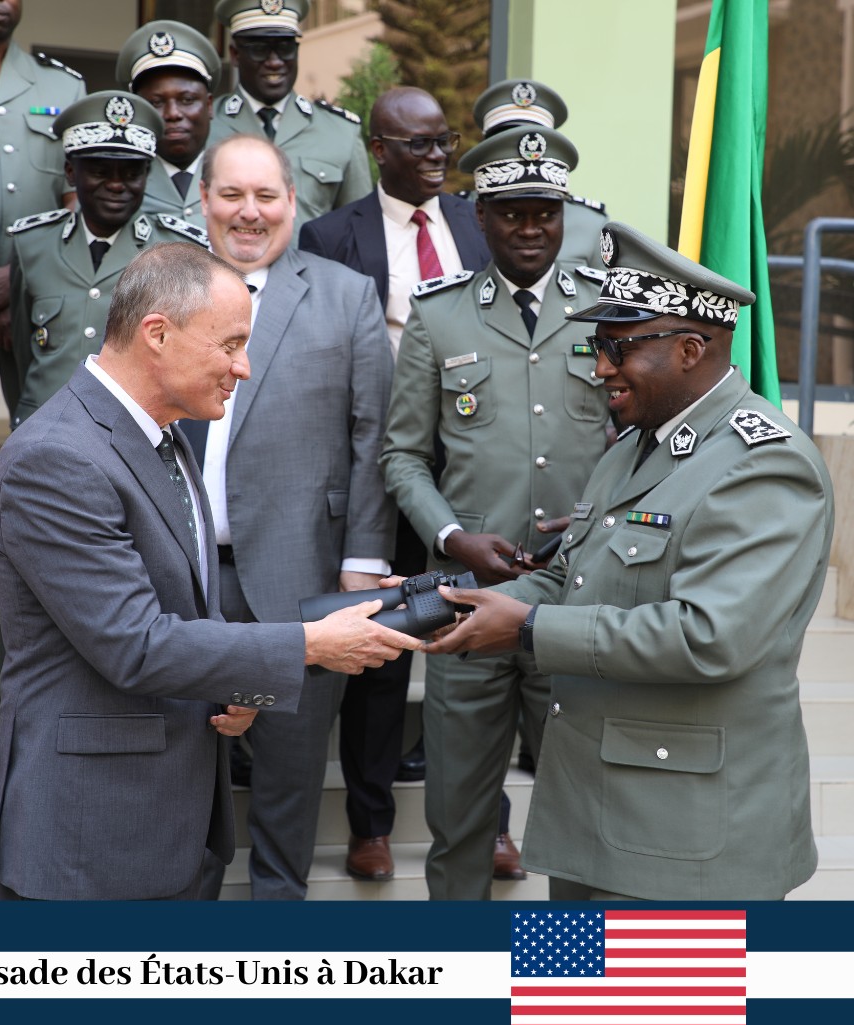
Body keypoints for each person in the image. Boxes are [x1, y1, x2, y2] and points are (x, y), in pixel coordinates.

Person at [0, 242, 418, 901]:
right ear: (157, 334)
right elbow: (134, 643)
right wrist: (309, 645)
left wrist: (241, 681)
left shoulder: (166, 437)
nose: (244, 368)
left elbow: (186, 615)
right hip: (91, 843)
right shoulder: (58, 457)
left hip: (173, 827)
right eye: (231, 344)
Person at [426, 221, 834, 901]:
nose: (599, 367)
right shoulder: (633, 446)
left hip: (685, 838)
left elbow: (709, 637)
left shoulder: (764, 463)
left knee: (660, 1013)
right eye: (596, 346)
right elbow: (572, 577)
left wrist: (525, 629)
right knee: (568, 1009)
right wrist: (449, 600)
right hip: (593, 814)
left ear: (691, 348)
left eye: (619, 348)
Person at [380, 124, 610, 900]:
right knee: (460, 825)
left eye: (544, 211)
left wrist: (596, 521)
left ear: (565, 215)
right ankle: (463, 994)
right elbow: (403, 455)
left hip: (580, 604)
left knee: (584, 829)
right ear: (479, 213)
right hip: (468, 607)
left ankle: (577, 998)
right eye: (511, 211)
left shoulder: (603, 309)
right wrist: (450, 536)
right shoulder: (440, 315)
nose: (529, 228)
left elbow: (641, 441)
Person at [184, 133, 396, 900]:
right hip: (185, 579)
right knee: (183, 765)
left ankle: (279, 919)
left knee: (290, 771)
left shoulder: (345, 294)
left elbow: (376, 436)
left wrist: (364, 564)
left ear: (293, 204)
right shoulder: (163, 285)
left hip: (303, 576)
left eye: (266, 195)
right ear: (203, 199)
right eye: (232, 194)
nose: (249, 212)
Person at [298, 86, 491, 882]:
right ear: (379, 149)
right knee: (381, 650)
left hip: (472, 473)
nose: (438, 156)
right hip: (380, 471)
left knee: (480, 647)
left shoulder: (482, 225)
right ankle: (371, 823)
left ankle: (489, 820)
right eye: (418, 145)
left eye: (445, 140)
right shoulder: (330, 235)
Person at [8, 90, 209, 427]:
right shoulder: (32, 244)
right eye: (100, 171)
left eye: (131, 173)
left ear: (147, 175)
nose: (117, 185)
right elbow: (18, 355)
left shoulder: (176, 252)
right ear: (71, 173)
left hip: (131, 439)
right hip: (41, 430)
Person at [0, 0, 86, 417]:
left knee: (43, 427)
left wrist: (24, 284)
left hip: (40, 295)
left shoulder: (63, 86)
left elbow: (79, 199)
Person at [211, 0, 372, 233]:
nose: (275, 62)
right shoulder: (208, 127)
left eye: (285, 48)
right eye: (260, 49)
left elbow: (359, 231)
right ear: (235, 54)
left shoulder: (341, 133)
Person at [472, 79, 608, 267]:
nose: (521, 151)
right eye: (503, 142)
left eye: (534, 139)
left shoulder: (590, 223)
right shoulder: (456, 217)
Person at [116, 20, 221, 230]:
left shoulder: (236, 173)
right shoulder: (116, 186)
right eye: (156, 103)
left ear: (209, 105)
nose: (173, 114)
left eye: (187, 100)